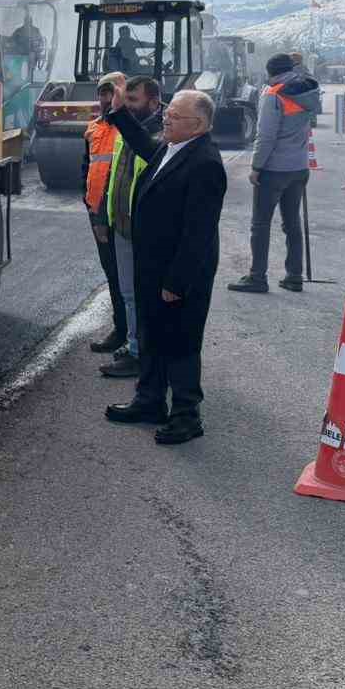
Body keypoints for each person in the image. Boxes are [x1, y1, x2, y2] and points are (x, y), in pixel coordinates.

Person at [102, 87, 228, 444]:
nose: (165, 119)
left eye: (174, 116)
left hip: (178, 273)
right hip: (152, 266)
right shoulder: (172, 147)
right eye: (167, 113)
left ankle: (187, 415)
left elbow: (198, 232)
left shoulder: (205, 163)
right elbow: (145, 145)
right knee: (151, 335)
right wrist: (120, 114)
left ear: (199, 125)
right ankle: (149, 400)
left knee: (181, 343)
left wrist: (176, 281)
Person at [230, 53, 321, 293]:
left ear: (271, 73)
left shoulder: (273, 94)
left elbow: (266, 136)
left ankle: (257, 277)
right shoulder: (308, 91)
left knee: (260, 225)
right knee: (292, 222)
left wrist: (256, 167)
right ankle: (294, 276)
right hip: (299, 167)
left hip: (274, 169)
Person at [99, 75, 164, 379]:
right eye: (126, 101)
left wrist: (120, 114)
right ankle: (136, 345)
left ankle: (142, 355)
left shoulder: (163, 134)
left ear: (154, 102)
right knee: (129, 294)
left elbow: (147, 152)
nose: (128, 106)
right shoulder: (127, 128)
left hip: (146, 231)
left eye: (133, 101)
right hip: (122, 224)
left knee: (143, 295)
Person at [83, 73, 128, 356]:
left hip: (125, 217)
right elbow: (87, 174)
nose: (106, 99)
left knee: (132, 281)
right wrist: (95, 217)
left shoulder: (132, 129)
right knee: (113, 275)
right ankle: (121, 330)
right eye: (102, 93)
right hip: (102, 216)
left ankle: (136, 336)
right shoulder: (93, 129)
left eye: (111, 93)